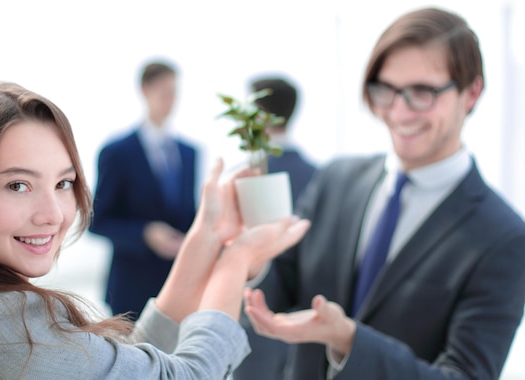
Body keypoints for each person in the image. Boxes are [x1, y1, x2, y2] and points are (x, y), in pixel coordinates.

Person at [0, 82, 311, 379]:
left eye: (63, 183)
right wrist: (235, 260)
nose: (54, 214)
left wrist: (206, 236)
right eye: (18, 185)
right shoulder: (11, 331)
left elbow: (121, 367)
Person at [243, 7, 525, 380]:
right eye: (385, 91)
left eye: (422, 92)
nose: (399, 112)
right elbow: (281, 286)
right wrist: (254, 258)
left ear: (471, 92)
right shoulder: (336, 179)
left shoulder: (503, 236)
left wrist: (349, 340)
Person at [89, 59, 198, 319]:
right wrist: (146, 233)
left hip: (179, 285)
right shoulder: (117, 152)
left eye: (174, 92)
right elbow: (98, 221)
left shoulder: (189, 153)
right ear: (145, 90)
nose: (170, 100)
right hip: (131, 290)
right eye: (164, 92)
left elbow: (189, 213)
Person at [234, 76, 318, 380]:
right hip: (306, 322)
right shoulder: (320, 177)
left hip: (253, 318)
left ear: (258, 116)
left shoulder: (243, 179)